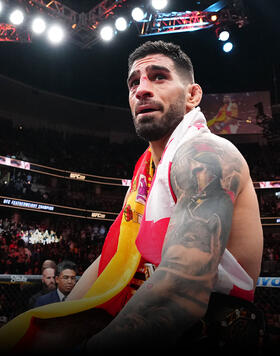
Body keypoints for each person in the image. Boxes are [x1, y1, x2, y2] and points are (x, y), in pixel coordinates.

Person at [0, 41, 264, 354]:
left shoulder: (206, 156)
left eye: (158, 77)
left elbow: (183, 289)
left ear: (193, 95)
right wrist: (62, 318)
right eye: (134, 82)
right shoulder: (146, 172)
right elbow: (112, 261)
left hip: (210, 329)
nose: (141, 89)